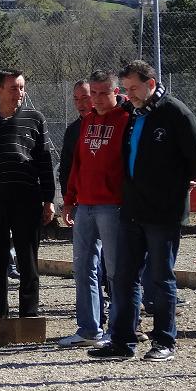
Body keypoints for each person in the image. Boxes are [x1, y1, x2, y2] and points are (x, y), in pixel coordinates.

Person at [89, 60, 196, 363]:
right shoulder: (132, 114)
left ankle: (165, 341)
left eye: (133, 89)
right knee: (124, 277)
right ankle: (122, 341)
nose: (129, 95)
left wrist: (174, 186)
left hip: (163, 212)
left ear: (151, 83)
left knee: (160, 277)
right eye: (126, 90)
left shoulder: (176, 113)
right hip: (132, 209)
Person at [0, 69, 56, 319]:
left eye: (22, 87)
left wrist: (49, 199)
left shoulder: (35, 118)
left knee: (28, 258)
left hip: (27, 199)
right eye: (14, 88)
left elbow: (45, 162)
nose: (20, 93)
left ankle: (29, 312)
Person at [58, 71, 129, 347]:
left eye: (101, 93)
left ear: (115, 92)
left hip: (113, 205)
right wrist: (70, 198)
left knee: (115, 271)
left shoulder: (126, 120)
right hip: (84, 205)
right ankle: (88, 329)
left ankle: (118, 330)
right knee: (83, 268)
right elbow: (77, 164)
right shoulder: (86, 122)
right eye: (93, 94)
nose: (96, 100)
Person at [58, 80, 92, 200]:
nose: (80, 104)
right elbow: (65, 168)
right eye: (76, 99)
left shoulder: (109, 124)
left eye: (84, 98)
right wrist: (67, 200)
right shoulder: (72, 130)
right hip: (79, 202)